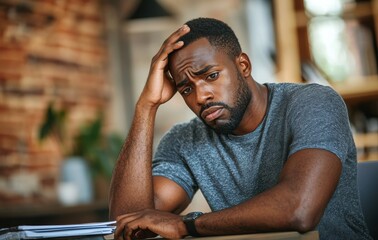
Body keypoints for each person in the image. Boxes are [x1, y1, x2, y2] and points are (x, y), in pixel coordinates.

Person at [109, 17, 372, 240]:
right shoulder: (184, 141)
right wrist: (146, 106)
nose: (200, 96)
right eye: (186, 89)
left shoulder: (311, 103)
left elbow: (299, 209)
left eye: (211, 76)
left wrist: (187, 224)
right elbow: (129, 225)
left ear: (243, 65)